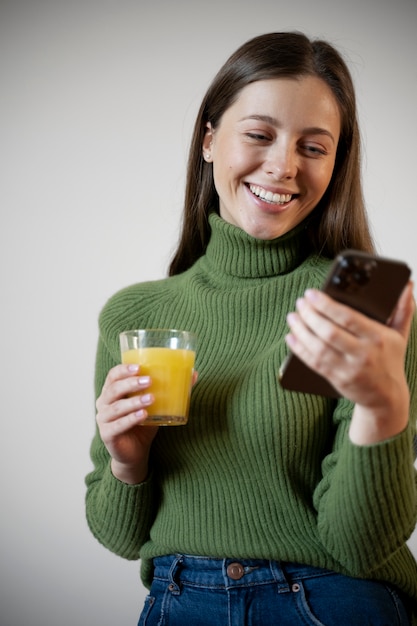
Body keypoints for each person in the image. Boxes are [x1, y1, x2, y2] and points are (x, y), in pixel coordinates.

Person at [85, 31, 417, 625]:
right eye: (259, 135)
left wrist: (384, 405)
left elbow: (362, 547)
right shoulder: (136, 318)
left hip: (330, 599)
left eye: (314, 148)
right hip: (180, 600)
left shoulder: (360, 301)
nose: (284, 166)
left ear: (336, 162)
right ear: (210, 140)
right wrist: (128, 464)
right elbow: (120, 537)